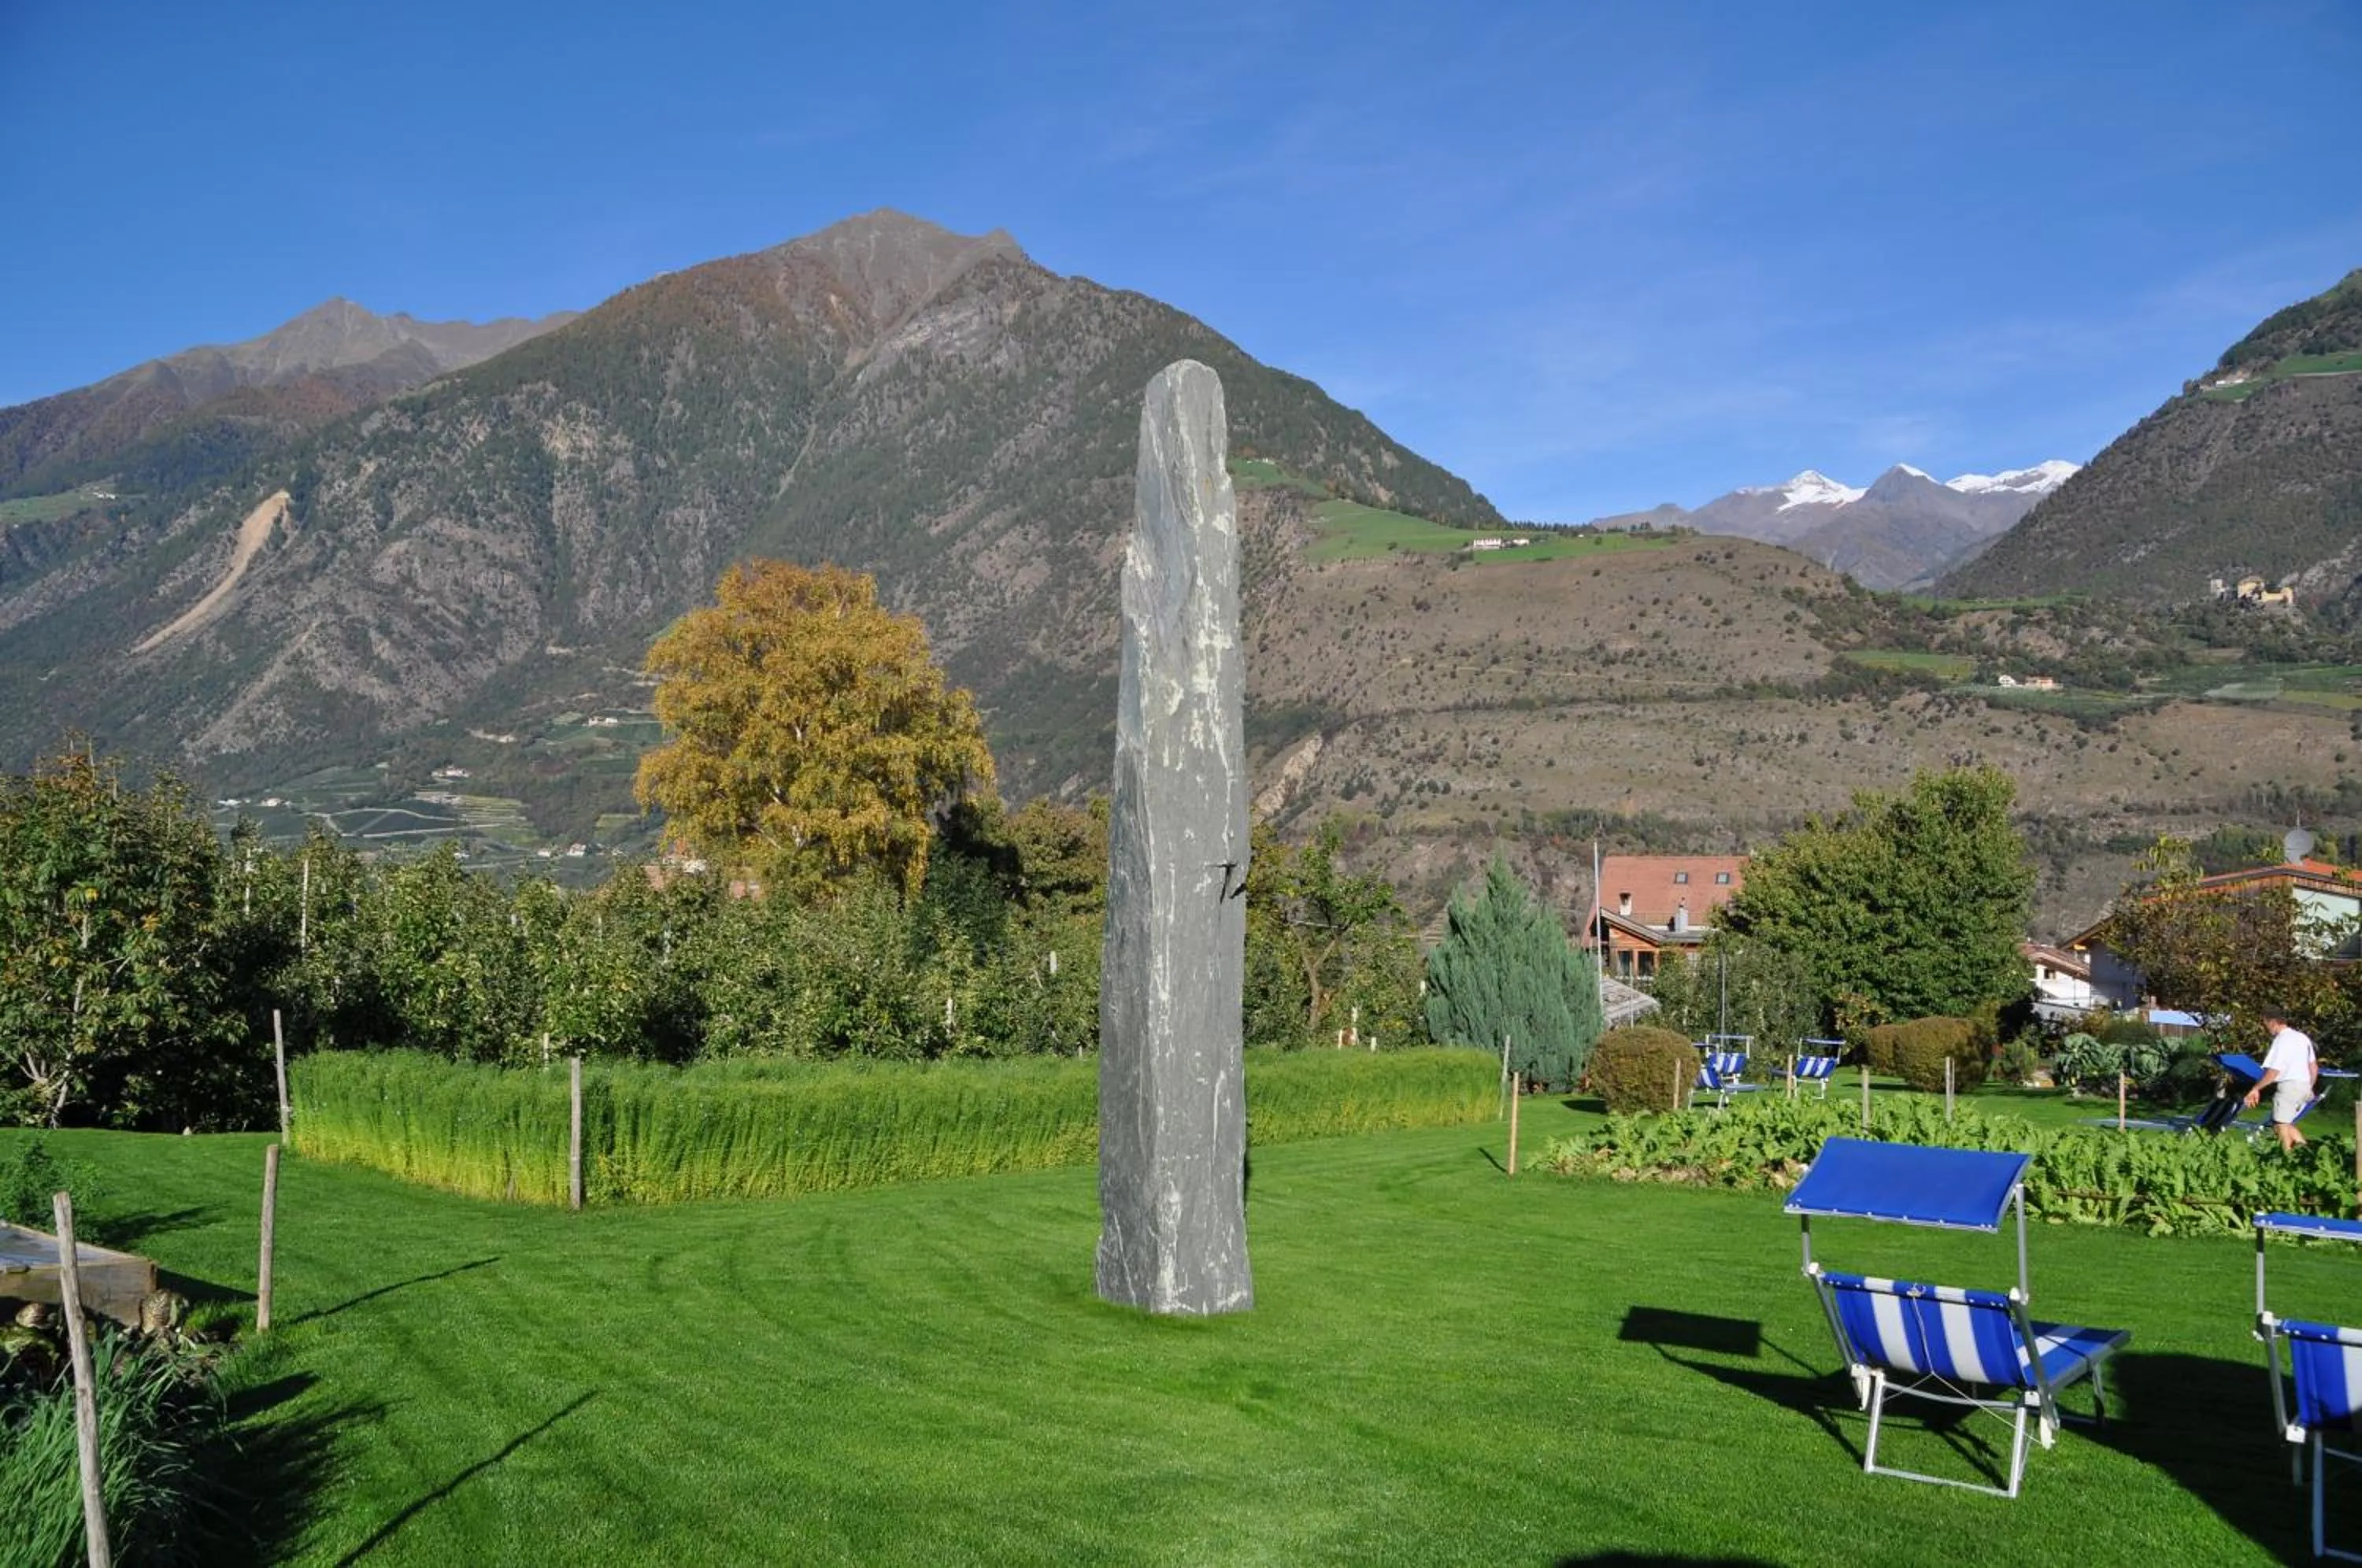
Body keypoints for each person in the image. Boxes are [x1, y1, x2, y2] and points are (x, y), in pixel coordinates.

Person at [2244, 1010, 2319, 1151]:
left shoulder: (2281, 1040)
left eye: (2265, 1024)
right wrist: (2310, 1087)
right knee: (2286, 1123)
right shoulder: (2302, 1038)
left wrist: (2255, 1089)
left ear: (2272, 1022)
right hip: (2304, 1086)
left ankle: (2288, 1158)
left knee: (2280, 1125)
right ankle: (2304, 1153)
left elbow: (2273, 1072)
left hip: (2289, 1087)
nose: (2265, 1028)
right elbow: (2313, 1067)